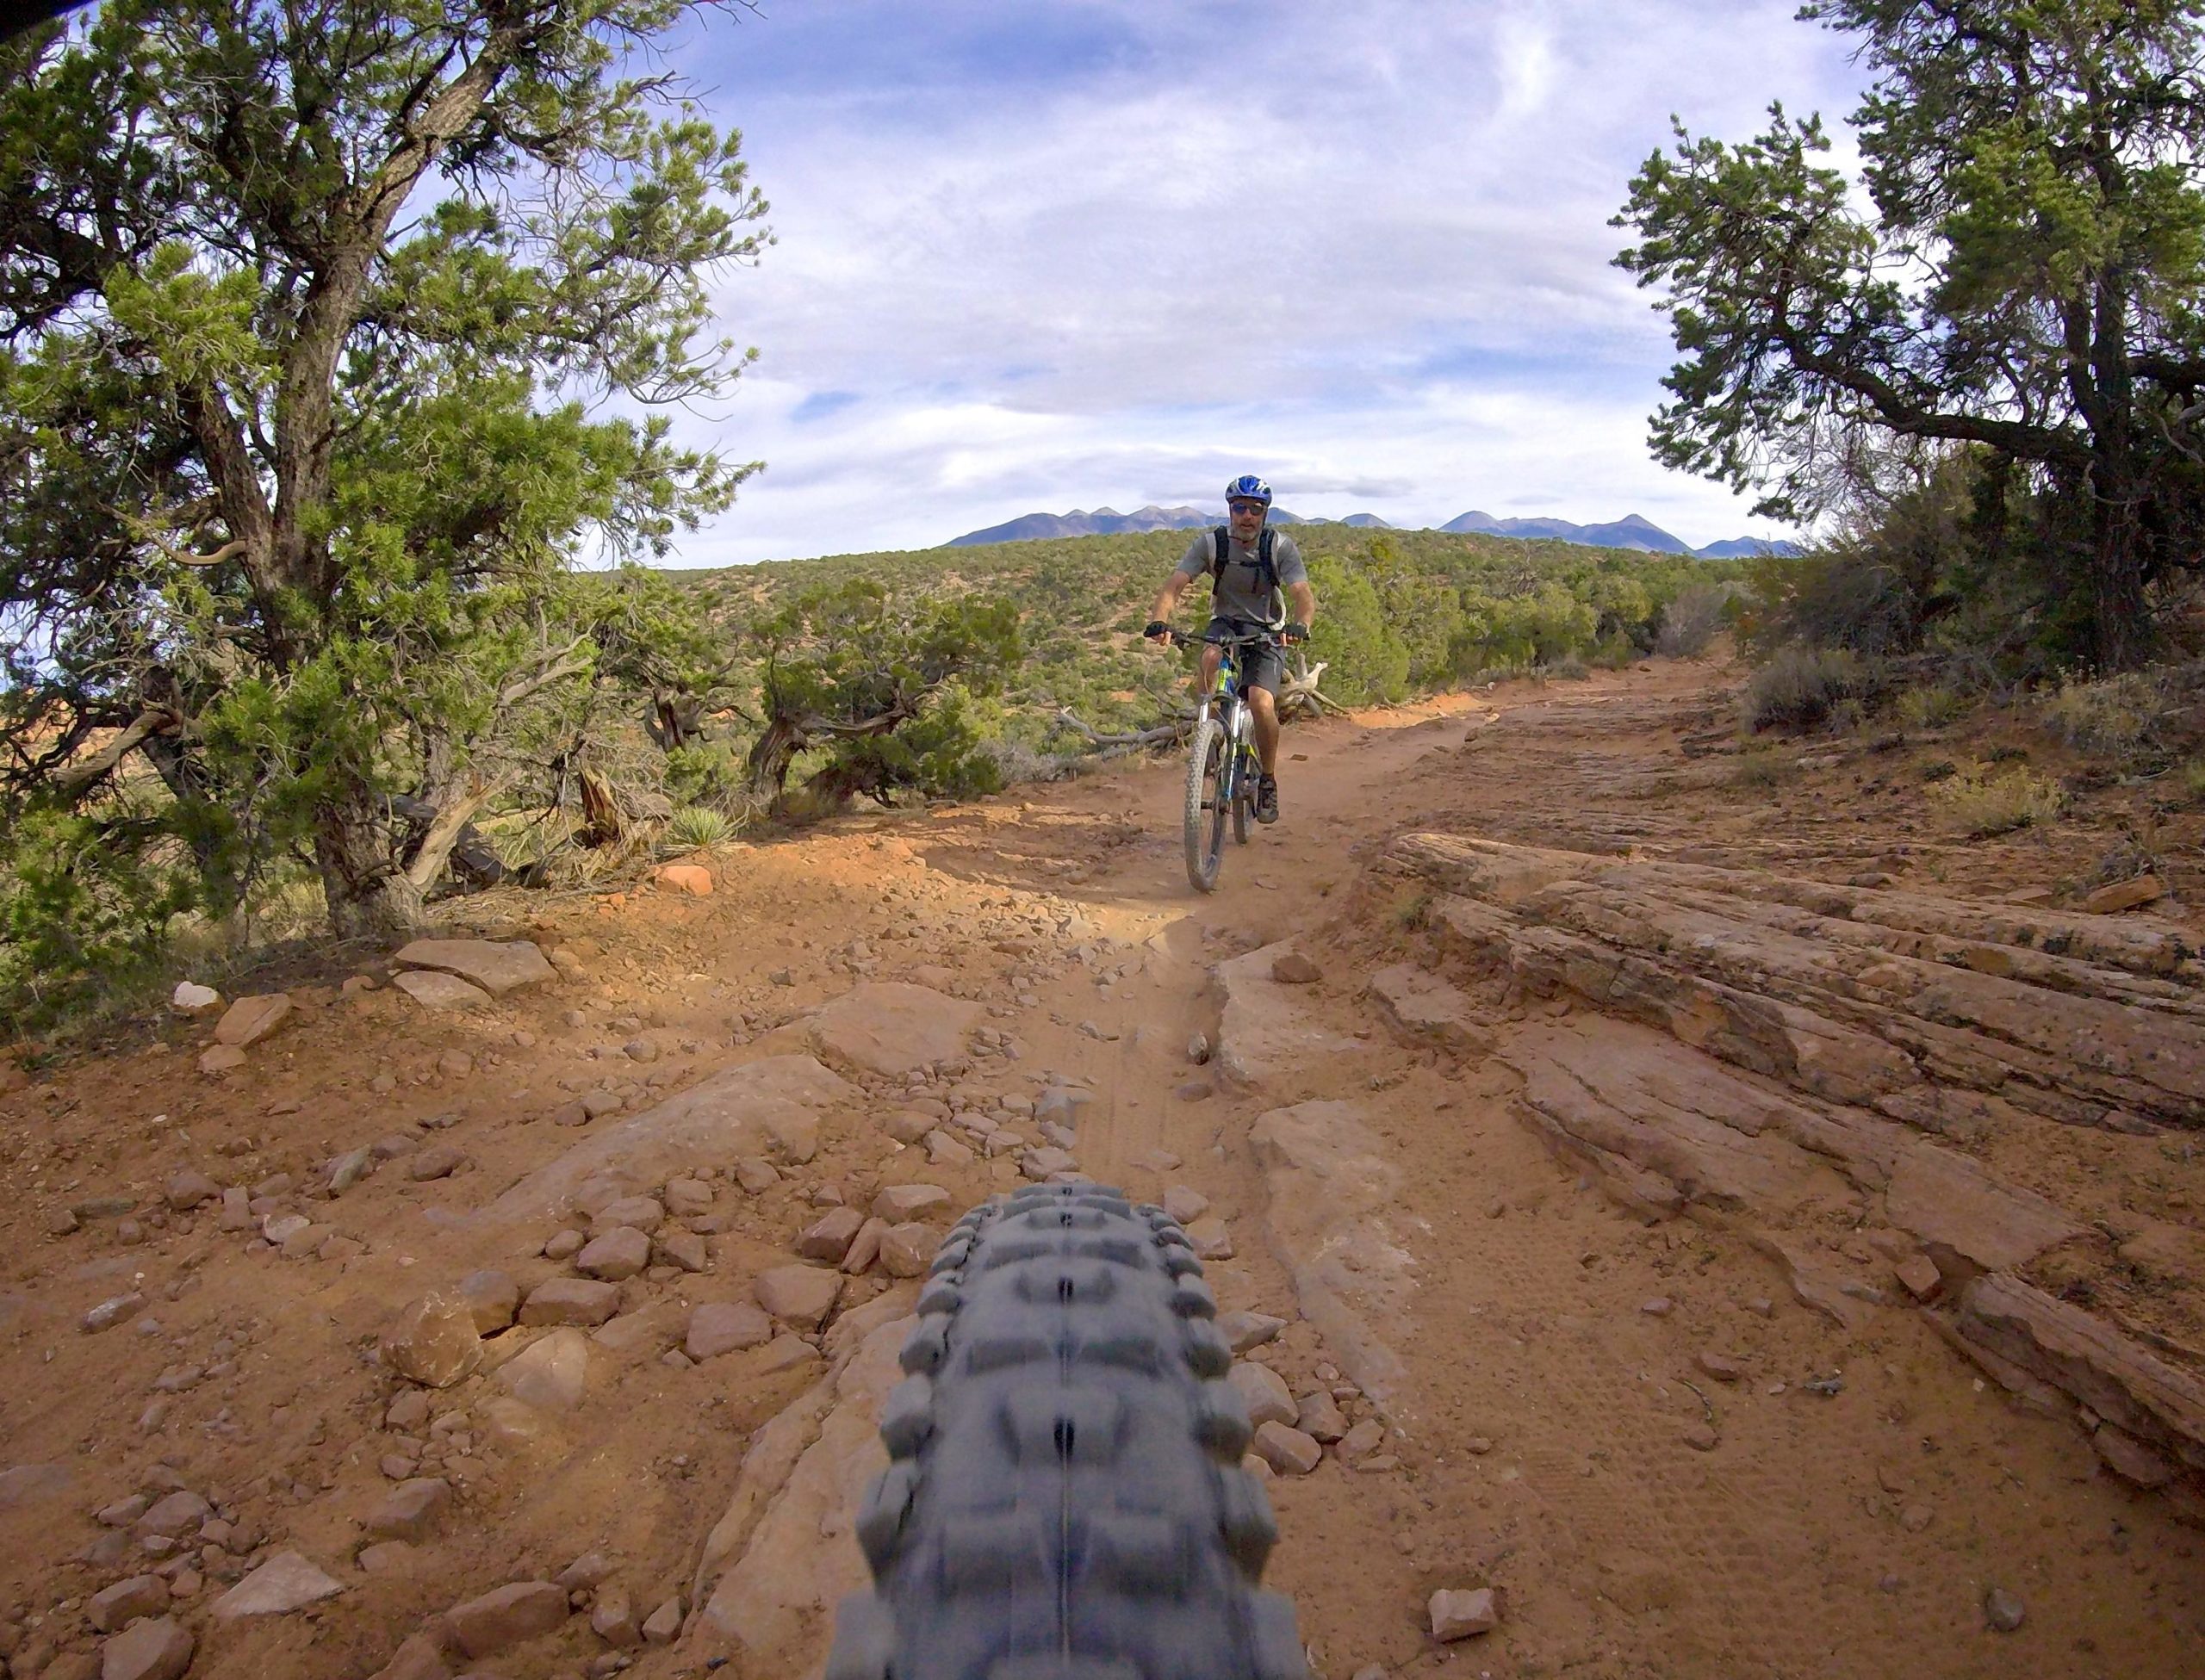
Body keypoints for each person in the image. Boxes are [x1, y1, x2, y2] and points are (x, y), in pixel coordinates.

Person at [1144, 474, 1315, 824]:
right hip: (1225, 623)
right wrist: (1160, 620)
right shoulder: (1212, 545)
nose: (1247, 516)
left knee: (1261, 701)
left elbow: (1303, 595)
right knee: (1209, 656)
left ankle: (1267, 779)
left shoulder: (1278, 547)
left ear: (1265, 513)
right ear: (1230, 510)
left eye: (1255, 509)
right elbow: (1173, 585)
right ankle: (1214, 730)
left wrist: (1301, 626)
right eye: (1240, 508)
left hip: (1267, 630)